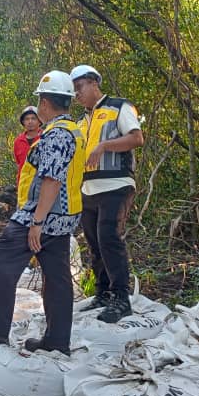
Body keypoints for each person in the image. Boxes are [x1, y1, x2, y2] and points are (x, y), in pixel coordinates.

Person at [0, 71, 86, 355]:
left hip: (41, 217)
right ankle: (56, 340)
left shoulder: (56, 135)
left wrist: (37, 222)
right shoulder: (74, 130)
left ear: (43, 103)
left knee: (3, 260)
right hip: (64, 218)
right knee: (57, 277)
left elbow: (52, 180)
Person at [69, 64, 144, 323]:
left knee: (109, 237)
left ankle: (121, 298)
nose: (77, 94)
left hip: (116, 183)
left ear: (93, 83)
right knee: (94, 242)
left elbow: (136, 138)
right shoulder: (81, 121)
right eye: (73, 91)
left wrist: (104, 146)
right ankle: (103, 293)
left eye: (79, 87)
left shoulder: (118, 107)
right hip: (88, 188)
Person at [13, 105, 42, 180]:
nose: (30, 121)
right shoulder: (18, 141)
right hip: (23, 184)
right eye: (27, 119)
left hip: (40, 184)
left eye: (33, 118)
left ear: (39, 121)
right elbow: (19, 163)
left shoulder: (46, 138)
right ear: (23, 122)